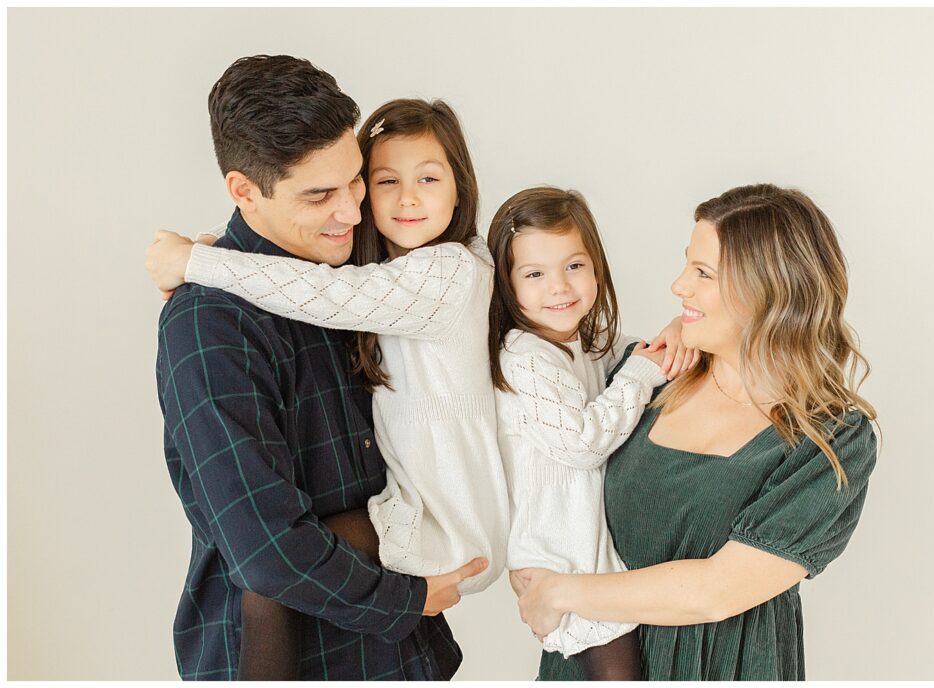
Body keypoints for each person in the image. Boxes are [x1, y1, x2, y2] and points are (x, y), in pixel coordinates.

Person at [152, 55, 484, 681]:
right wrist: (407, 601)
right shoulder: (210, 327)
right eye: (319, 194)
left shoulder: (356, 270)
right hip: (303, 659)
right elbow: (266, 546)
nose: (353, 212)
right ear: (244, 191)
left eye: (357, 181)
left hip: (401, 655)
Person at [511, 183, 878, 681]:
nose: (678, 286)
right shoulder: (641, 380)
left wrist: (558, 592)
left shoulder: (831, 439)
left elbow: (716, 592)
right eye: (688, 264)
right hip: (593, 661)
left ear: (766, 290)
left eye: (702, 273)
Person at [486, 187, 697, 680]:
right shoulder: (524, 357)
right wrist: (641, 373)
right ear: (507, 284)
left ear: (596, 267)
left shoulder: (574, 341)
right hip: (560, 558)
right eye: (534, 274)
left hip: (584, 551)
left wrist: (676, 330)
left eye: (574, 266)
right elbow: (584, 444)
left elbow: (634, 354)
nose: (559, 287)